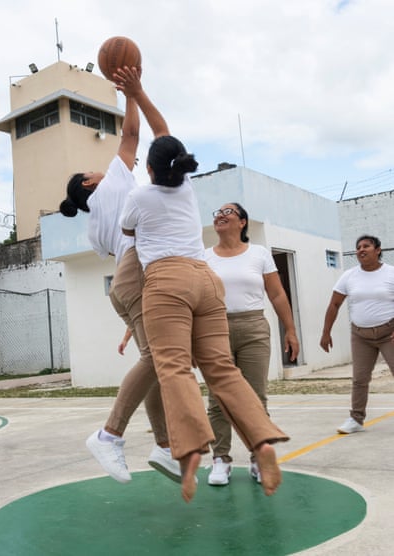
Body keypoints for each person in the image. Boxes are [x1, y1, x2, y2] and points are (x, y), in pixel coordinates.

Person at [116, 67, 289, 503]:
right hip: (206, 281)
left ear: (150, 170)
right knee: (223, 371)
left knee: (173, 368)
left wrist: (128, 96)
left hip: (168, 281)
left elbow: (130, 233)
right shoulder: (187, 188)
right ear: (179, 166)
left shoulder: (139, 197)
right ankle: (262, 444)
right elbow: (165, 134)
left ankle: (191, 453)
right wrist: (139, 91)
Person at [59, 80, 180, 484]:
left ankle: (164, 446)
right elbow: (131, 134)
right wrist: (129, 92)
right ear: (90, 183)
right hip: (138, 275)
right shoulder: (112, 180)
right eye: (90, 170)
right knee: (157, 360)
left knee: (156, 364)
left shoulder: (93, 228)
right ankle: (109, 434)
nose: (99, 166)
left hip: (123, 285)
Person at [205, 202, 299, 486]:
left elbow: (278, 294)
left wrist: (290, 330)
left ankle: (259, 457)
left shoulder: (259, 253)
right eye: (217, 212)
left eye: (228, 212)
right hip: (214, 330)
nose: (221, 215)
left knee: (256, 398)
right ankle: (221, 459)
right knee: (218, 399)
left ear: (243, 222)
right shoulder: (203, 256)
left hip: (254, 328)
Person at [320, 235, 394, 434]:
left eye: (366, 246)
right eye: (358, 247)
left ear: (378, 250)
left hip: (389, 333)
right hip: (361, 335)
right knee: (359, 379)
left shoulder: (390, 273)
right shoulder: (349, 276)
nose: (361, 249)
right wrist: (325, 333)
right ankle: (356, 419)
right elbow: (334, 304)